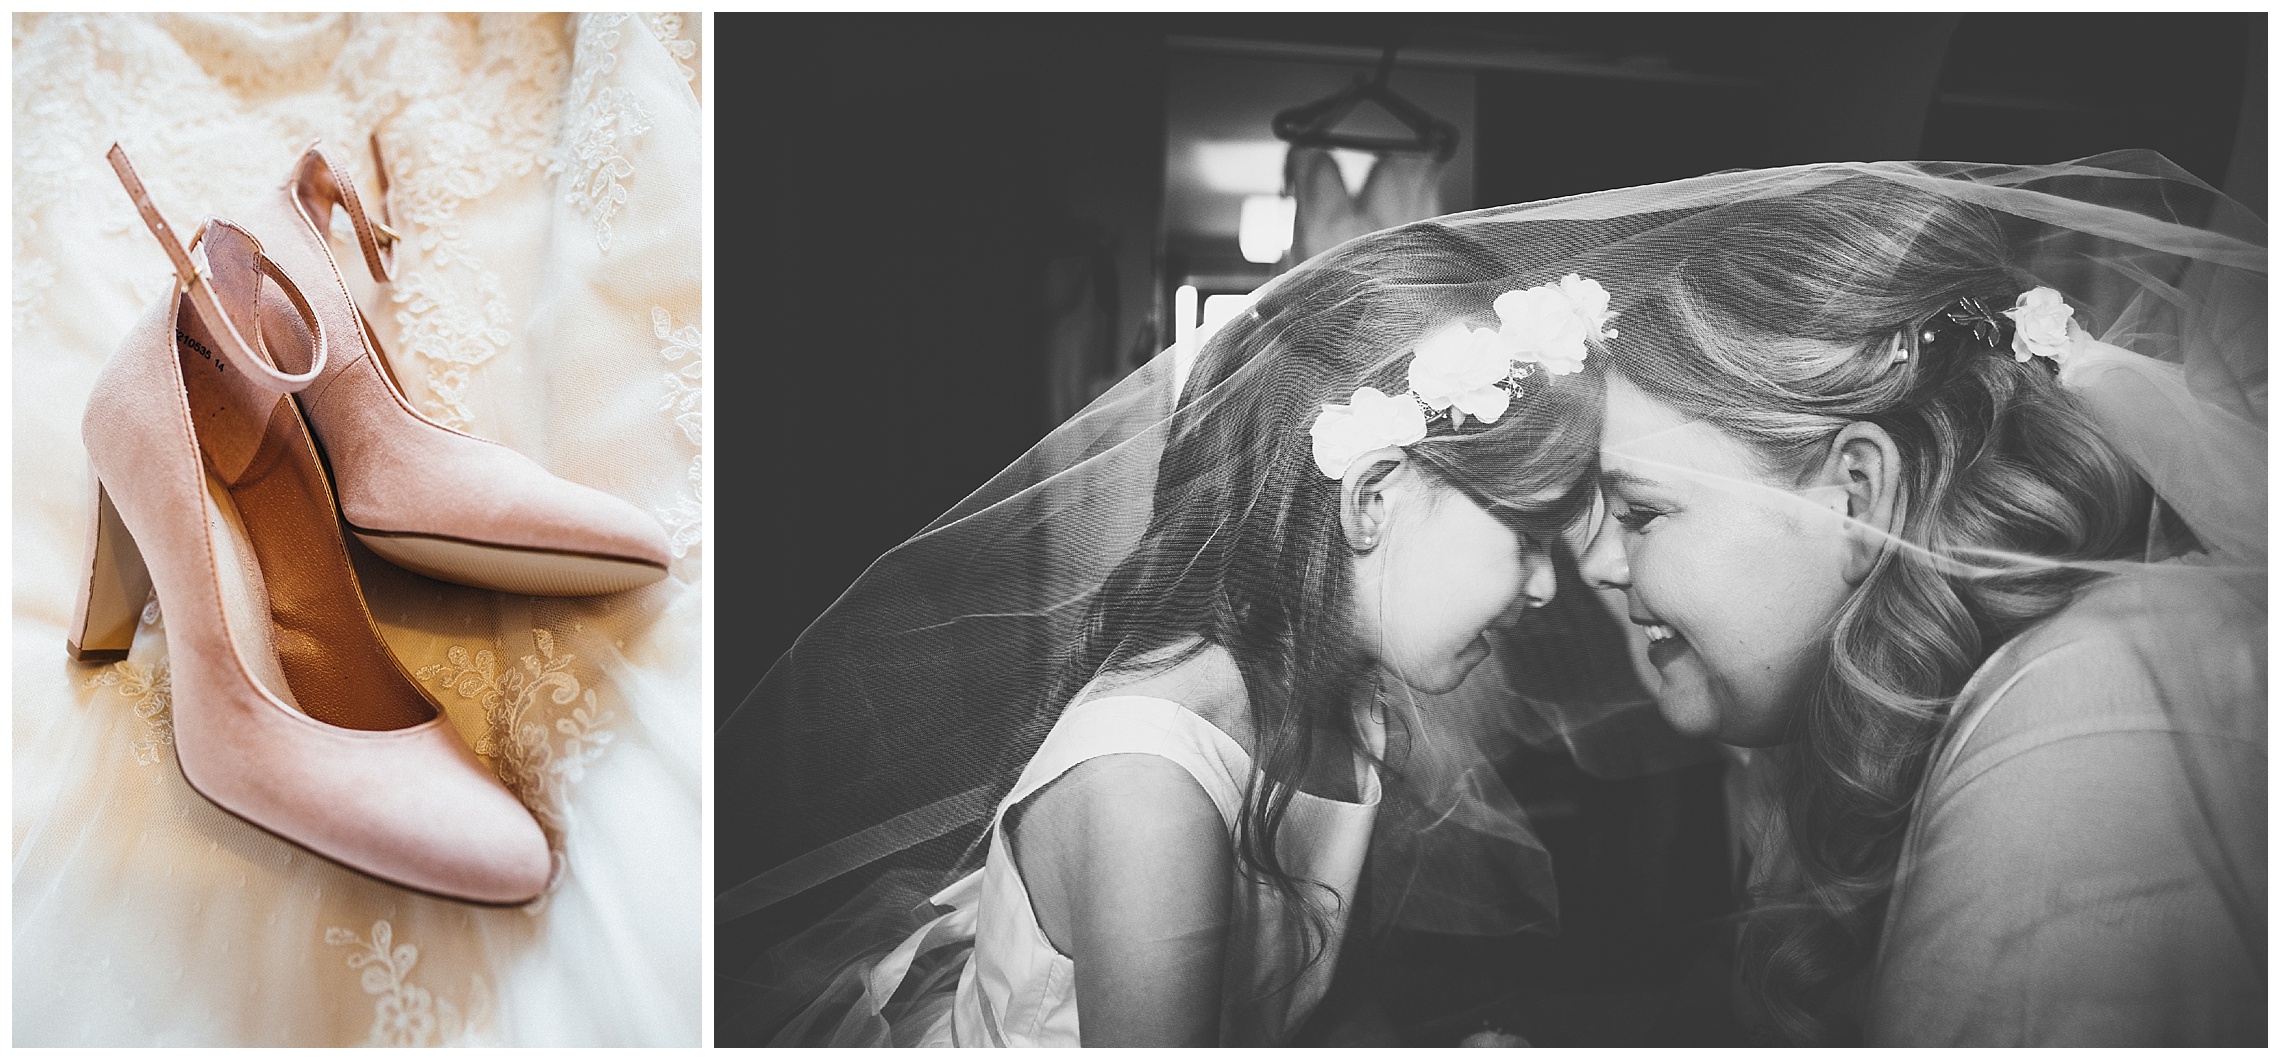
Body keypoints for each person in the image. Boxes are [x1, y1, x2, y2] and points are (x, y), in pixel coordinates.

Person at [722, 223, 1643, 1046]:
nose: (1546, 586)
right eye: (1527, 536)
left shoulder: (1354, 709)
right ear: (1371, 499)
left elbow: (1316, 1015)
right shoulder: (1147, 790)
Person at [1569, 166, 2265, 1044]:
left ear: (1857, 495)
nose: (1594, 563)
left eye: (1640, 512)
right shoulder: (1855, 716)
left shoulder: (2083, 711)